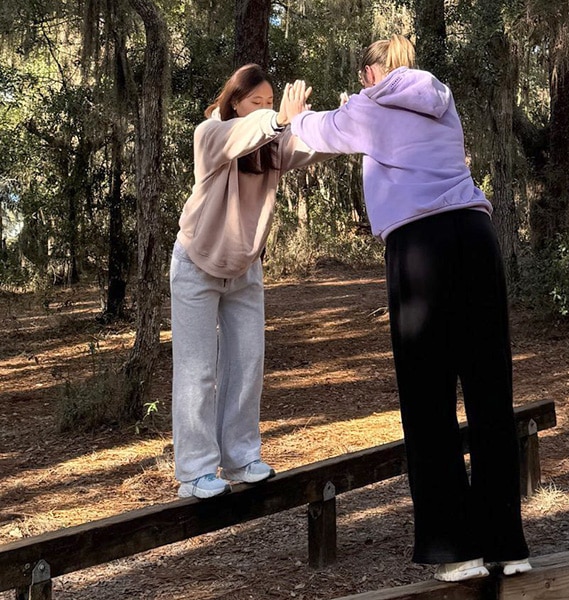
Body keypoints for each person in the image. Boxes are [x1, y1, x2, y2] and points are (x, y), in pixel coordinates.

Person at [285, 35, 531, 581]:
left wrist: (290, 119)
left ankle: (454, 548)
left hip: (422, 248)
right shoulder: (443, 101)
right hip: (475, 233)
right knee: (490, 390)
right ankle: (506, 545)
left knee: (428, 395)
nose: (360, 80)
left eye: (362, 72)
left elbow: (322, 130)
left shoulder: (369, 105)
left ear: (374, 70)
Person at [171, 64, 322, 499]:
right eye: (256, 100)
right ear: (234, 102)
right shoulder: (210, 134)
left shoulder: (273, 147)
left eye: (270, 101)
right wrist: (275, 118)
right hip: (196, 264)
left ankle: (240, 458)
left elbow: (315, 144)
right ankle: (195, 473)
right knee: (197, 372)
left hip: (244, 269)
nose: (266, 107)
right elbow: (247, 132)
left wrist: (353, 118)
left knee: (247, 366)